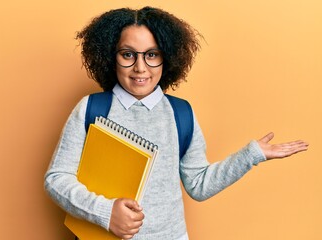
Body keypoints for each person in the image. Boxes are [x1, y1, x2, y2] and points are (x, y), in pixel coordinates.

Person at [44, 6, 308, 240]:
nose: (140, 67)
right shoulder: (90, 108)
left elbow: (200, 185)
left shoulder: (182, 113)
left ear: (166, 58)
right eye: (128, 55)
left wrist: (252, 155)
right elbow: (56, 179)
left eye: (152, 54)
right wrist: (105, 212)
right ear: (110, 57)